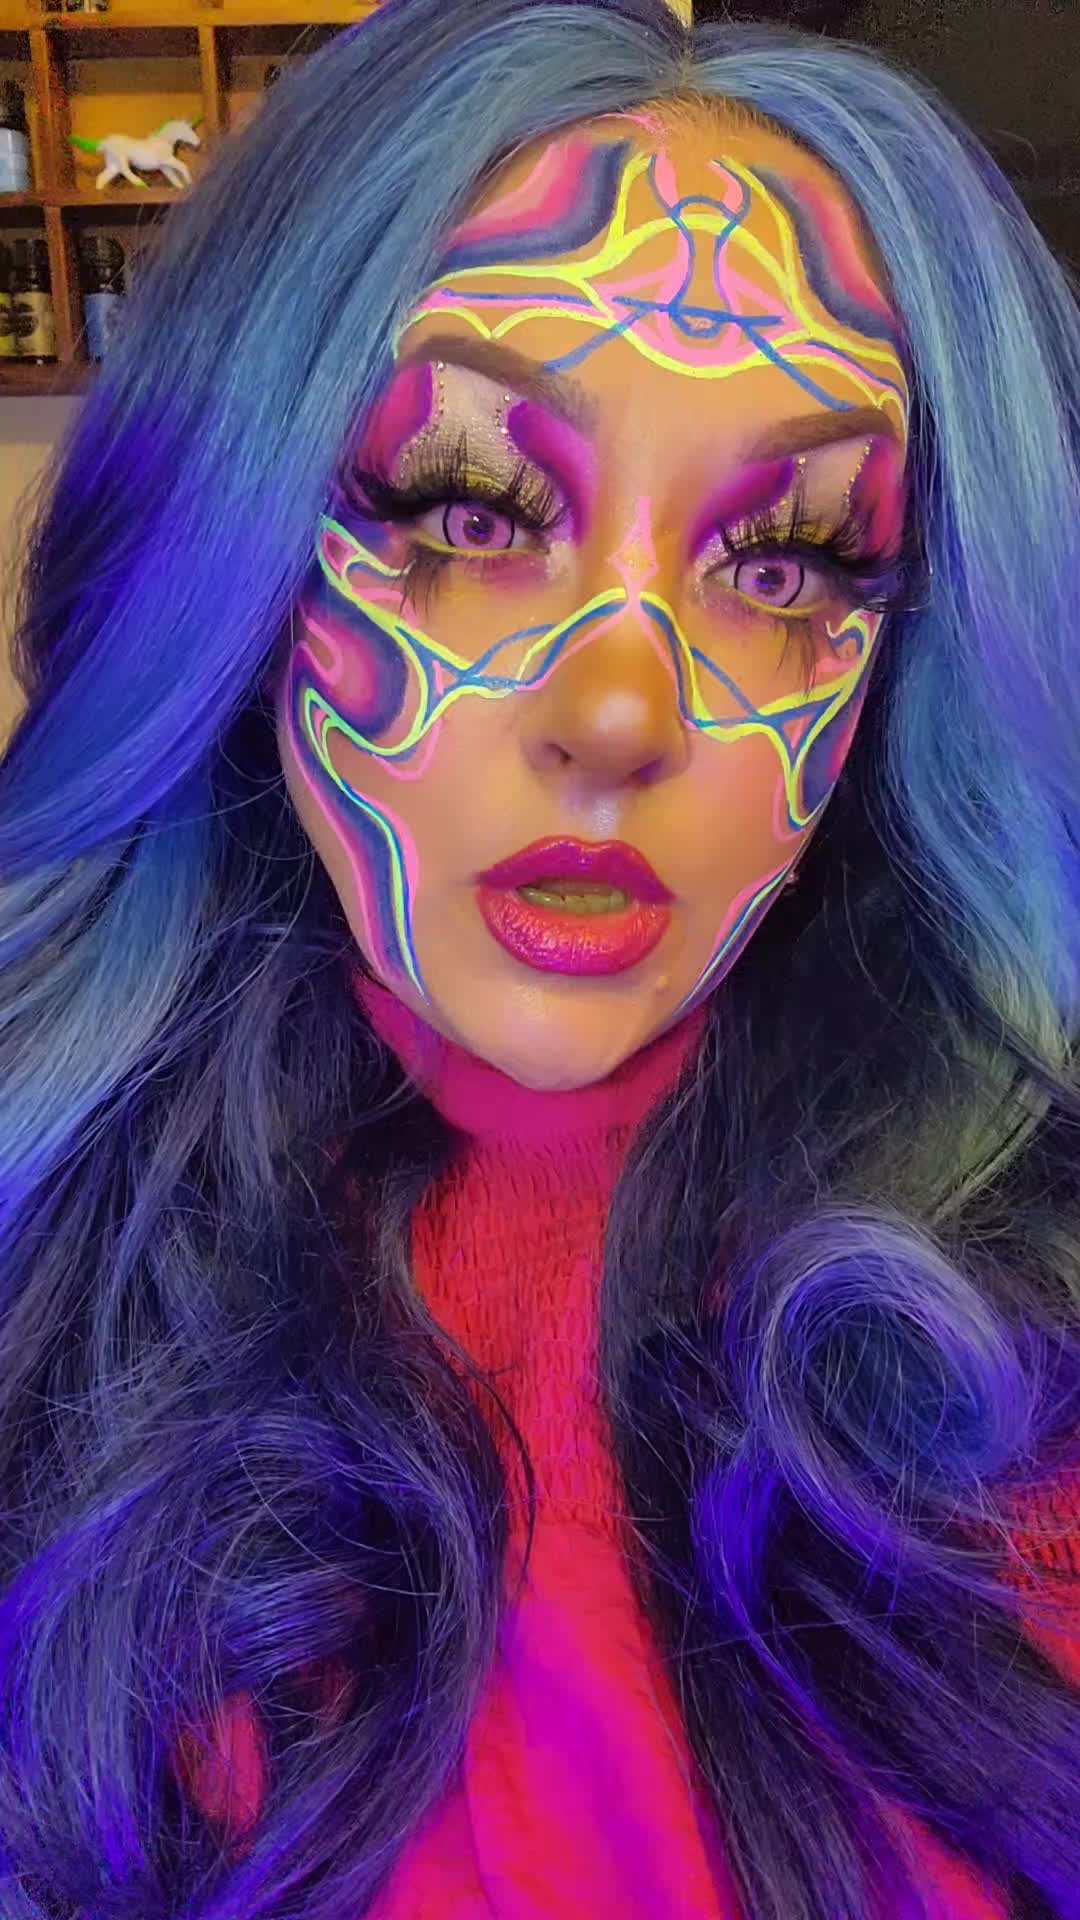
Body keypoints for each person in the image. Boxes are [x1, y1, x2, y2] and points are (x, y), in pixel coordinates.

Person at [0, 0, 1078, 1914]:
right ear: (235, 554)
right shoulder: (41, 1258)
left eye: (788, 560)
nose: (617, 713)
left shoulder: (1014, 1348)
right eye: (469, 509)